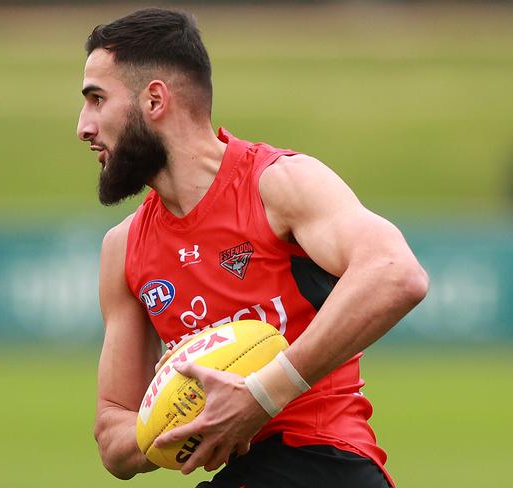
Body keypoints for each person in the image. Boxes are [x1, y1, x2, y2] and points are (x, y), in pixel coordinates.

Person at [77, 8, 428, 488]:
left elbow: (396, 273)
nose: (84, 126)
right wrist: (180, 415)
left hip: (327, 463)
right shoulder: (123, 249)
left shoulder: (278, 184)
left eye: (97, 99)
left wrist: (260, 395)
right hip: (249, 472)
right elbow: (114, 438)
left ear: (154, 100)